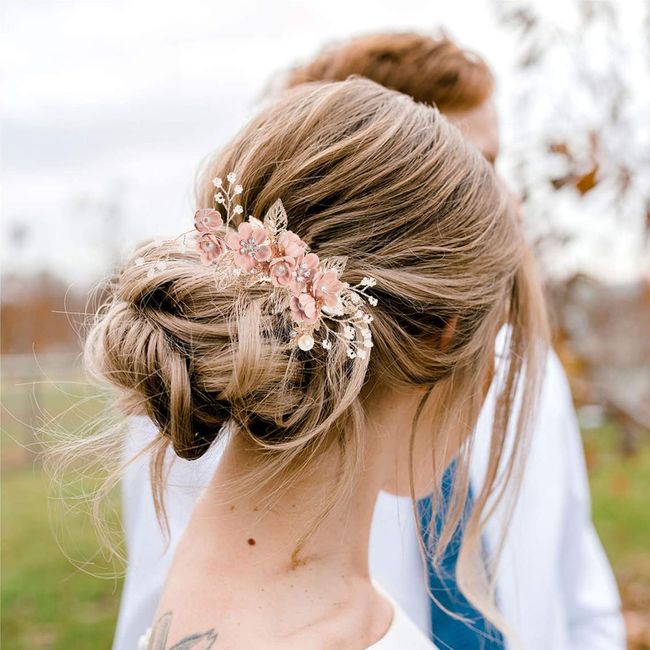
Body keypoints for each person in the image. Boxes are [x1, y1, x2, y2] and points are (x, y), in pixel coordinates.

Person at [113, 34, 625, 650]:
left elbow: (580, 599)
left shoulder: (525, 372)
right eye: (472, 168)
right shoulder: (220, 381)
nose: (508, 205)